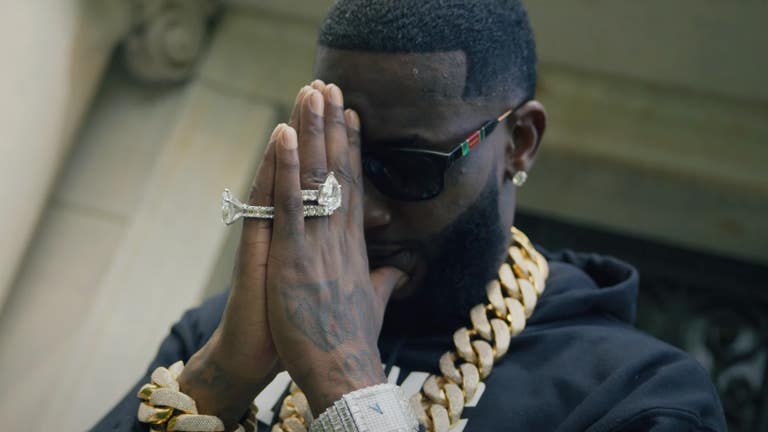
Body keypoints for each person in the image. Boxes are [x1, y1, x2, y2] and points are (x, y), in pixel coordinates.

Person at [93, 1, 726, 431]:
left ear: (520, 143)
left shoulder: (638, 395)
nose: (361, 211)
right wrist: (220, 379)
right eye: (337, 164)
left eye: (410, 168)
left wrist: (346, 384)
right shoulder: (221, 333)